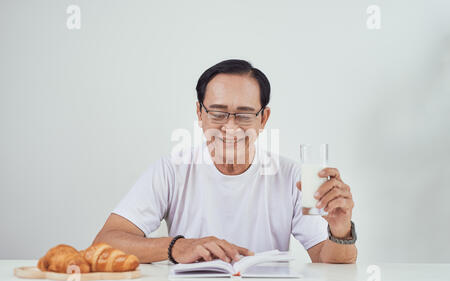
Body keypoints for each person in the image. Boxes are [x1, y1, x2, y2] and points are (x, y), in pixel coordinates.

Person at [93, 59, 357, 264]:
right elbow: (105, 243)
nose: (230, 128)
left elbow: (328, 262)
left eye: (244, 116)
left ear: (263, 119)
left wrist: (340, 230)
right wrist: (178, 246)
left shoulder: (290, 176)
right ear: (200, 113)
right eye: (218, 114)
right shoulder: (171, 170)